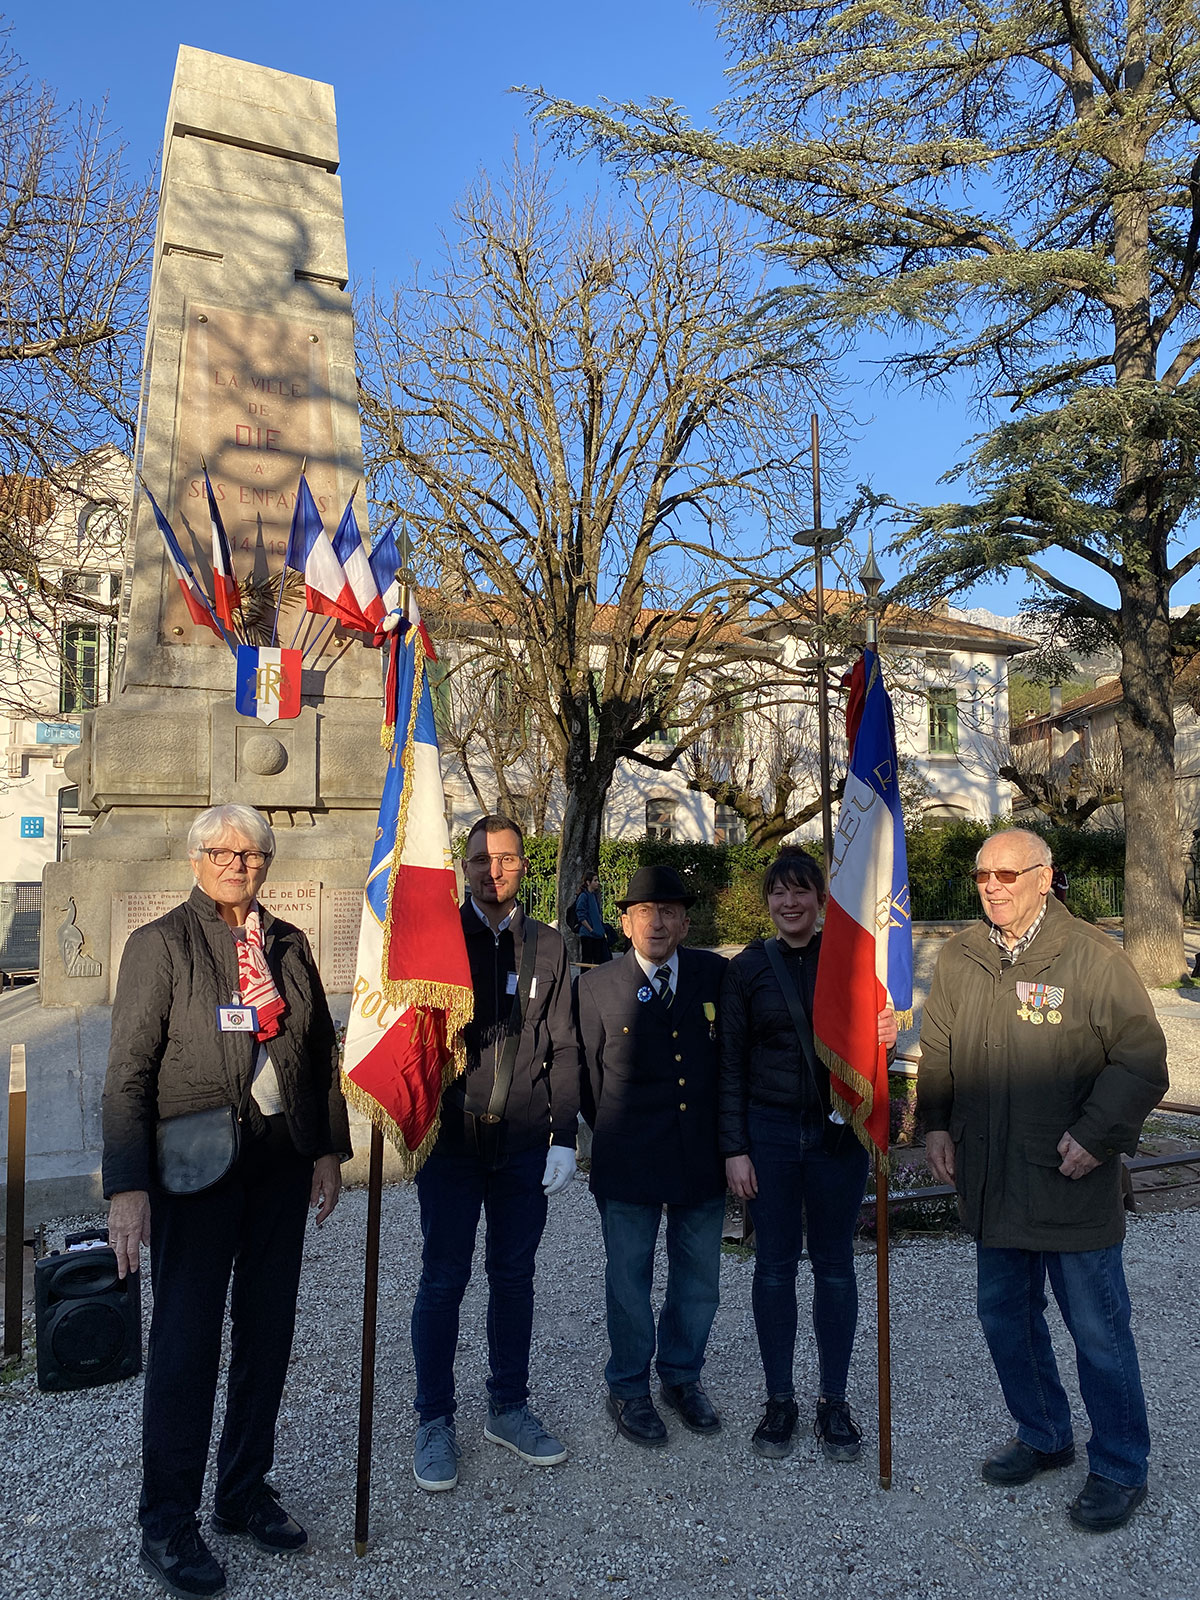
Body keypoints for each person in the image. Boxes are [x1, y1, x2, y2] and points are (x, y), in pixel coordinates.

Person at [104, 804, 350, 1600]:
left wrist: (327, 1152)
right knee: (186, 1346)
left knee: (267, 1337)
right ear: (195, 859)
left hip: (278, 1164)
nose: (237, 863)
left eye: (251, 853)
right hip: (195, 1168)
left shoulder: (289, 944)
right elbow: (128, 1073)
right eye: (222, 851)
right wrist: (127, 1187)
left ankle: (242, 1490)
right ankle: (166, 1520)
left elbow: (317, 1055)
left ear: (267, 863)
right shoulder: (161, 945)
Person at [918, 827, 1168, 1533]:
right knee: (1005, 1318)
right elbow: (938, 1049)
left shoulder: (1092, 956)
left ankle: (1120, 1466)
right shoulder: (962, 955)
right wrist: (934, 1125)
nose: (992, 887)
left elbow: (1142, 1061)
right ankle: (1045, 1434)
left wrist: (1095, 1134)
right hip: (992, 1180)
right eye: (982, 876)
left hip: (1068, 1179)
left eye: (1007, 874)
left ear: (1044, 876)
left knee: (1098, 1332)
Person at [410, 814, 579, 1493]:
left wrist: (564, 1137)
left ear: (522, 866)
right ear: (464, 867)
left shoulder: (549, 945)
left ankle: (508, 1407)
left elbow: (564, 1046)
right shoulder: (434, 941)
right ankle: (434, 1420)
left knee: (513, 1279)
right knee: (442, 1281)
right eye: (480, 859)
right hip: (450, 1142)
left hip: (522, 1144)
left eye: (505, 859)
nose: (493, 870)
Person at [719, 850, 896, 1461]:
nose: (789, 903)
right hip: (768, 1134)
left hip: (835, 1137)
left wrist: (886, 1035)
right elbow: (729, 1066)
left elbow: (870, 1052)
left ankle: (834, 1400)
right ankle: (779, 1399)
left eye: (801, 892)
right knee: (773, 1267)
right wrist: (735, 1149)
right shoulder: (746, 970)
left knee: (835, 1266)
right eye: (779, 893)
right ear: (767, 901)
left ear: (822, 901)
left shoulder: (850, 962)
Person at [576, 864, 728, 1446]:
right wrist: (615, 1130)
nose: (656, 923)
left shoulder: (715, 975)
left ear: (686, 923)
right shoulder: (596, 987)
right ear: (624, 923)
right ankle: (629, 1386)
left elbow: (730, 1059)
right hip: (629, 1156)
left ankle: (682, 1376)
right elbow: (587, 1080)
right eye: (644, 912)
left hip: (700, 1155)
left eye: (669, 912)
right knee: (628, 1280)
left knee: (699, 1279)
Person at [575, 870, 612, 966]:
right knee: (587, 960)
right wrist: (590, 929)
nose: (597, 883)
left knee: (599, 960)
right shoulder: (584, 896)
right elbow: (581, 915)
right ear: (588, 882)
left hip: (597, 933)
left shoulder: (594, 896)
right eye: (595, 881)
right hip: (588, 934)